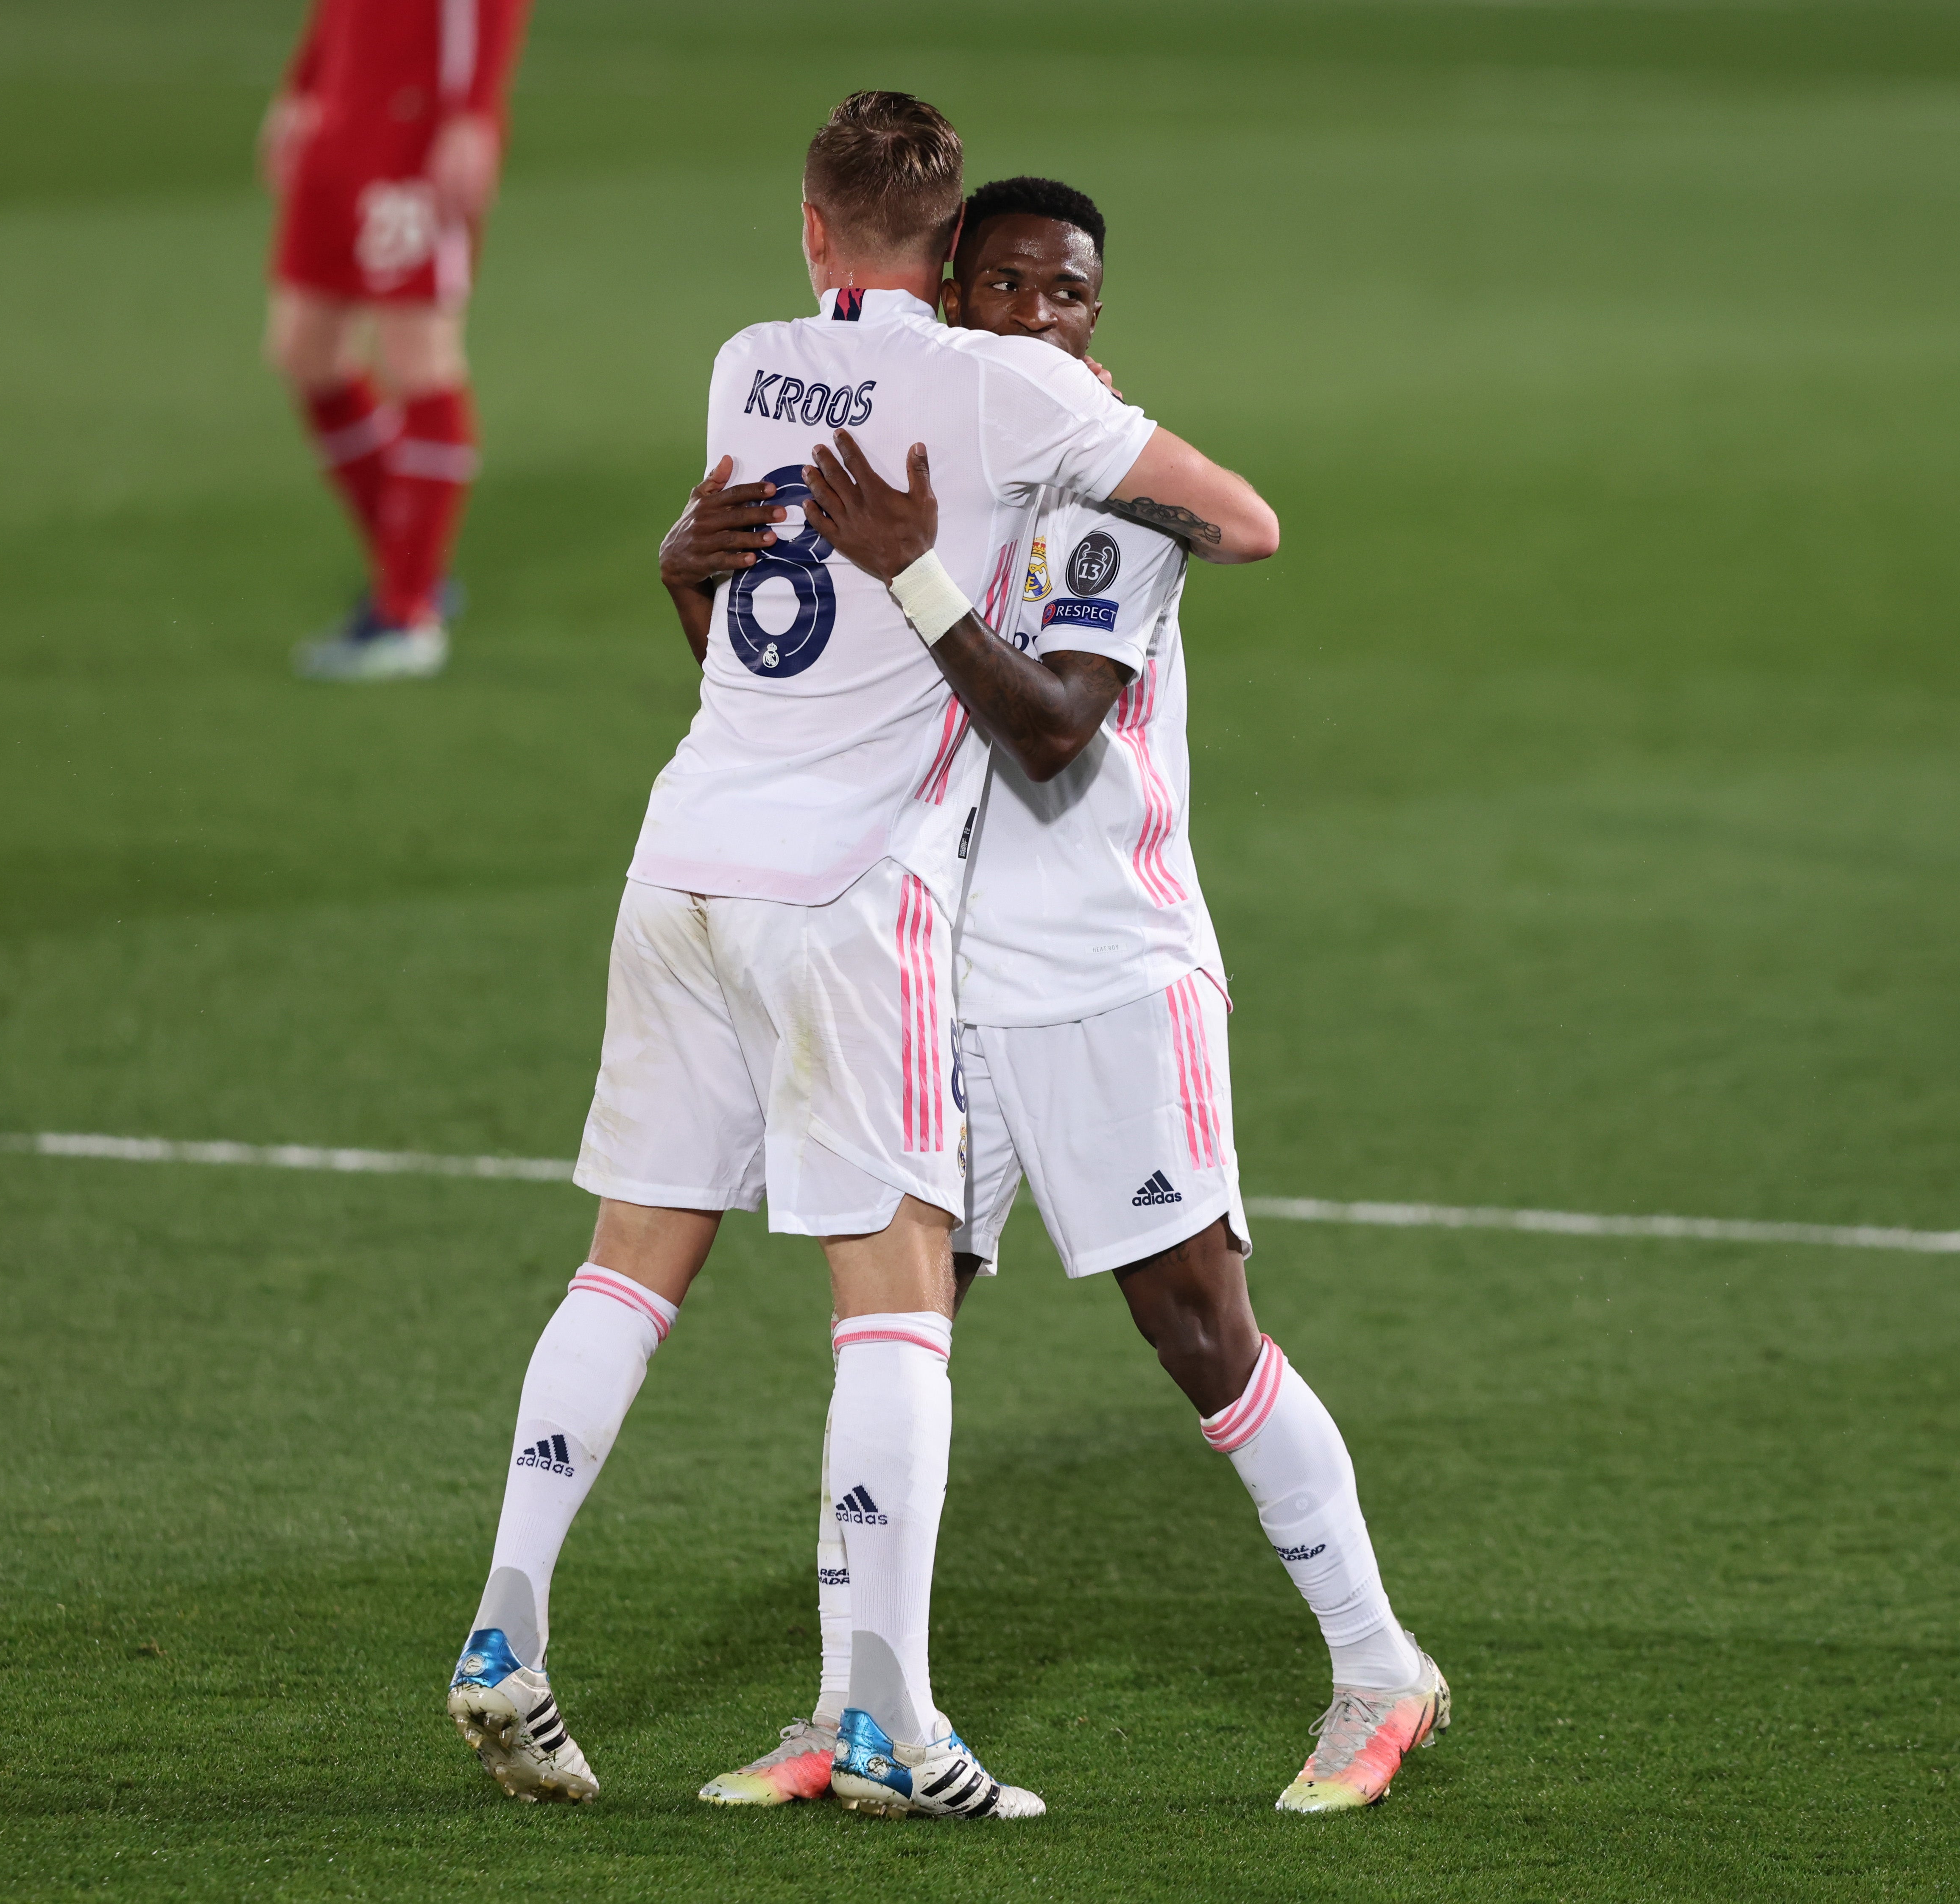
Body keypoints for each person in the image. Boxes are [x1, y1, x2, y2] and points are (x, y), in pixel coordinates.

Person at [443, 96, 1279, 1822]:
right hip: (846, 894)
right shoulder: (1008, 383)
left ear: (814, 234)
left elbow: (737, 590)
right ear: (958, 248)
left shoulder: (747, 363)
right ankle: (890, 1720)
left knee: (625, 1270)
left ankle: (504, 1627)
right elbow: (1241, 519)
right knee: (897, 1310)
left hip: (680, 855)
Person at [671, 176, 1445, 1817]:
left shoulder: (1110, 507)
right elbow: (789, 697)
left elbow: (1052, 734)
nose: (1037, 316)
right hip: (937, 968)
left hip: (1105, 970)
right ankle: (853, 1707)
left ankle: (1379, 1670)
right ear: (951, 294)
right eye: (1007, 287)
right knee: (896, 1325)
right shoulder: (932, 479)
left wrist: (912, 573)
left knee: (1198, 1329)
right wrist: (702, 573)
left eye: (1069, 293)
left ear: (1100, 314)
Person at [259, 0, 533, 681]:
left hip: (417, 126)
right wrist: (303, 87)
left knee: (419, 355)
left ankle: (407, 615)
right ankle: (413, 564)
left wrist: (471, 112)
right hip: (341, 114)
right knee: (303, 350)